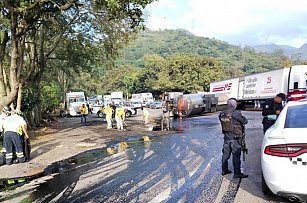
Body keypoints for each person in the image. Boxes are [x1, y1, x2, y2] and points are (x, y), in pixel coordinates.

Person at [219, 98, 248, 179]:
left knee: (225, 155)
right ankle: (237, 173)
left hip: (227, 138)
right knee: (236, 156)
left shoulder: (222, 113)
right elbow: (245, 121)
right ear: (235, 105)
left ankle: (224, 170)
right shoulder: (236, 113)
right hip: (236, 138)